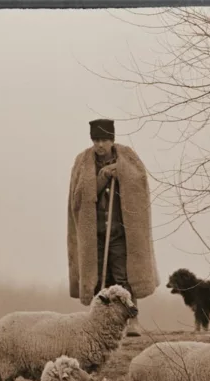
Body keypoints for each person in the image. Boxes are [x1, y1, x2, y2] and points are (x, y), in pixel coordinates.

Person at [67, 118, 160, 337]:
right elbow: (78, 197)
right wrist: (101, 178)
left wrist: (122, 174)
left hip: (120, 232)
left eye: (104, 140)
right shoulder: (82, 162)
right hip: (94, 234)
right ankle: (101, 323)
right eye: (96, 140)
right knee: (99, 278)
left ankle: (132, 320)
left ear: (112, 140)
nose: (100, 145)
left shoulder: (127, 158)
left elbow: (139, 184)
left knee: (122, 276)